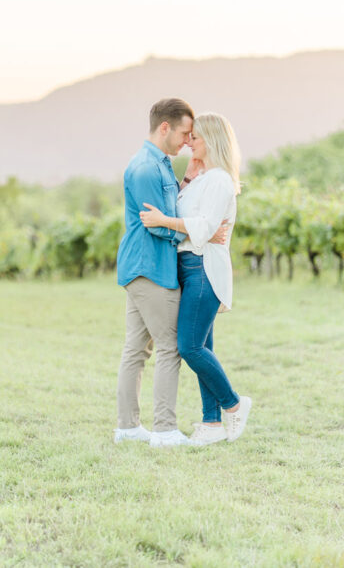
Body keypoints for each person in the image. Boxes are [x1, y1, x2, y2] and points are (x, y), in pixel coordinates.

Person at [114, 98, 228, 448]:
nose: (187, 141)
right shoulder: (148, 168)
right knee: (169, 347)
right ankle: (164, 429)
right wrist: (203, 232)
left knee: (137, 349)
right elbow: (158, 224)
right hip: (151, 266)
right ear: (165, 128)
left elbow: (167, 211)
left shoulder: (158, 164)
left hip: (141, 266)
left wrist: (189, 178)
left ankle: (129, 428)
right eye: (183, 133)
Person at [140, 112, 251, 446]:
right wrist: (187, 180)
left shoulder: (219, 180)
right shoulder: (203, 178)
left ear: (212, 141)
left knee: (189, 347)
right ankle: (211, 423)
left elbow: (202, 229)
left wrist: (163, 220)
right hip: (188, 267)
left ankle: (233, 403)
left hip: (203, 269)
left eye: (195, 138)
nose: (188, 142)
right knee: (204, 346)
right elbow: (191, 215)